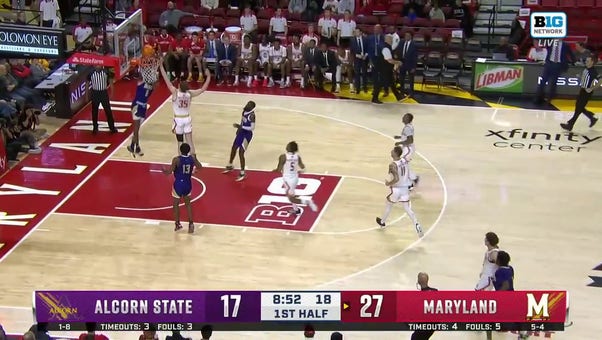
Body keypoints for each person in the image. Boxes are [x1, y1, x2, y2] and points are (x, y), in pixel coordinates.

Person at [159, 61, 211, 155]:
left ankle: (180, 161)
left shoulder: (175, 92)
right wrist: (208, 77)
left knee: (180, 143)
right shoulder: (189, 94)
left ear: (179, 86)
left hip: (178, 119)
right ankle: (194, 162)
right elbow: (203, 89)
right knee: (190, 142)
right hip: (187, 118)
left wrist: (161, 66)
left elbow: (166, 79)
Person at [375, 146, 423, 237]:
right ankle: (417, 224)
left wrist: (388, 183)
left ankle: (382, 222)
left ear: (396, 153)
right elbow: (408, 171)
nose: (391, 151)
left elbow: (396, 179)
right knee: (407, 209)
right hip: (405, 189)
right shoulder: (404, 161)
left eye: (393, 150)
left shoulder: (392, 165)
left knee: (389, 205)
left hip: (397, 189)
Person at [163, 143, 203, 233]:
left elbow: (169, 172)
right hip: (188, 184)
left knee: (176, 205)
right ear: (189, 150)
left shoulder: (176, 159)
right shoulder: (192, 158)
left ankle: (177, 224)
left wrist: (164, 171)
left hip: (178, 184)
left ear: (180, 150)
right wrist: (195, 158)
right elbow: (200, 167)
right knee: (188, 205)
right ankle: (191, 223)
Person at [127, 45, 159, 157]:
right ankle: (136, 147)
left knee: (137, 129)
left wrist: (154, 73)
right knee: (136, 129)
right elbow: (141, 72)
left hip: (143, 106)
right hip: (137, 106)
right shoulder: (140, 80)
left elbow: (155, 84)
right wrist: (138, 65)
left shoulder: (151, 84)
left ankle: (132, 146)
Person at [273, 141, 318, 215]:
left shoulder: (283, 157)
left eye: (288, 145)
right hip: (295, 178)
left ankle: (308, 202)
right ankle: (296, 210)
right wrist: (300, 172)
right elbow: (303, 168)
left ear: (289, 148)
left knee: (291, 199)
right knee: (291, 195)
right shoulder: (297, 157)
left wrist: (272, 171)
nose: (286, 146)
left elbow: (278, 170)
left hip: (287, 180)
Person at [560, 55, 600, 132]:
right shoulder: (587, 69)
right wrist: (580, 77)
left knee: (578, 109)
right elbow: (586, 78)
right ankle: (592, 118)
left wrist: (591, 88)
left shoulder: (593, 72)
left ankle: (570, 125)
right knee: (579, 107)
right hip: (582, 90)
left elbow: (600, 80)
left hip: (587, 92)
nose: (586, 62)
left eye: (588, 61)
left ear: (592, 62)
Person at [223, 101, 256, 181]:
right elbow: (242, 122)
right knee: (234, 148)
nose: (247, 105)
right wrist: (239, 128)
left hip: (247, 135)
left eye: (249, 105)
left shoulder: (252, 115)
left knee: (241, 152)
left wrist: (241, 127)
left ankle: (242, 172)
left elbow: (252, 128)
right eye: (247, 104)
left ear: (252, 108)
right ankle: (230, 165)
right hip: (241, 132)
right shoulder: (244, 111)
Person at [534, 39, 575, 105]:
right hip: (549, 64)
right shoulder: (550, 43)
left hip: (558, 65)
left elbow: (571, 54)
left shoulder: (565, 45)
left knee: (553, 83)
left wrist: (575, 62)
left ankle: (549, 100)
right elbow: (544, 47)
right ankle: (538, 98)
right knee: (543, 82)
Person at [372, 34, 402, 103]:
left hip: (386, 69)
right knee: (380, 84)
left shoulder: (386, 46)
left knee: (391, 83)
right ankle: (374, 98)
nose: (392, 41)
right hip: (384, 69)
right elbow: (389, 60)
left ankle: (398, 96)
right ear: (387, 39)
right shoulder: (385, 48)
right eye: (391, 39)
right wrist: (398, 62)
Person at [88, 65, 117, 134]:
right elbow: (87, 84)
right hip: (95, 93)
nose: (97, 66)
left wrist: (112, 93)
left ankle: (112, 127)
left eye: (99, 65)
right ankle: (95, 128)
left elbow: (111, 82)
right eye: (96, 65)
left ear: (101, 66)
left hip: (104, 93)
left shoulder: (106, 72)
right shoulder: (91, 73)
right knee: (94, 112)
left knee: (108, 111)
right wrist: (86, 96)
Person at [394, 113, 419, 188]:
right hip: (407, 148)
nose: (403, 117)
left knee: (402, 165)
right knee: (404, 165)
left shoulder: (407, 128)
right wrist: (399, 137)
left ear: (408, 119)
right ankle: (414, 178)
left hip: (408, 148)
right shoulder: (408, 127)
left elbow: (410, 140)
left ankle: (410, 183)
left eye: (404, 117)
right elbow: (407, 136)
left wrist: (400, 142)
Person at [411, 272, 437, 340]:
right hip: (433, 326)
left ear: (418, 281)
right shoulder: (435, 291)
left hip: (424, 327)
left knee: (414, 337)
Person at [397, 31, 417, 98]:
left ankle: (411, 93)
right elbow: (398, 52)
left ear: (411, 37)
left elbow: (415, 56)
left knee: (411, 79)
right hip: (402, 63)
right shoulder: (401, 42)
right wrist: (398, 62)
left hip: (410, 64)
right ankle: (402, 92)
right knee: (401, 79)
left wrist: (414, 67)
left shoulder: (414, 44)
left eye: (408, 35)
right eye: (406, 35)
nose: (407, 37)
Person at [350, 28, 368, 94]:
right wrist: (357, 55)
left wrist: (365, 55)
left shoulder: (365, 39)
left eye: (357, 32)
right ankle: (357, 88)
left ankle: (365, 87)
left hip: (364, 58)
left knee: (364, 73)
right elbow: (352, 50)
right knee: (357, 73)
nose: (356, 33)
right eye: (355, 32)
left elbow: (368, 48)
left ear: (360, 32)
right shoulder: (352, 40)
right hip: (357, 59)